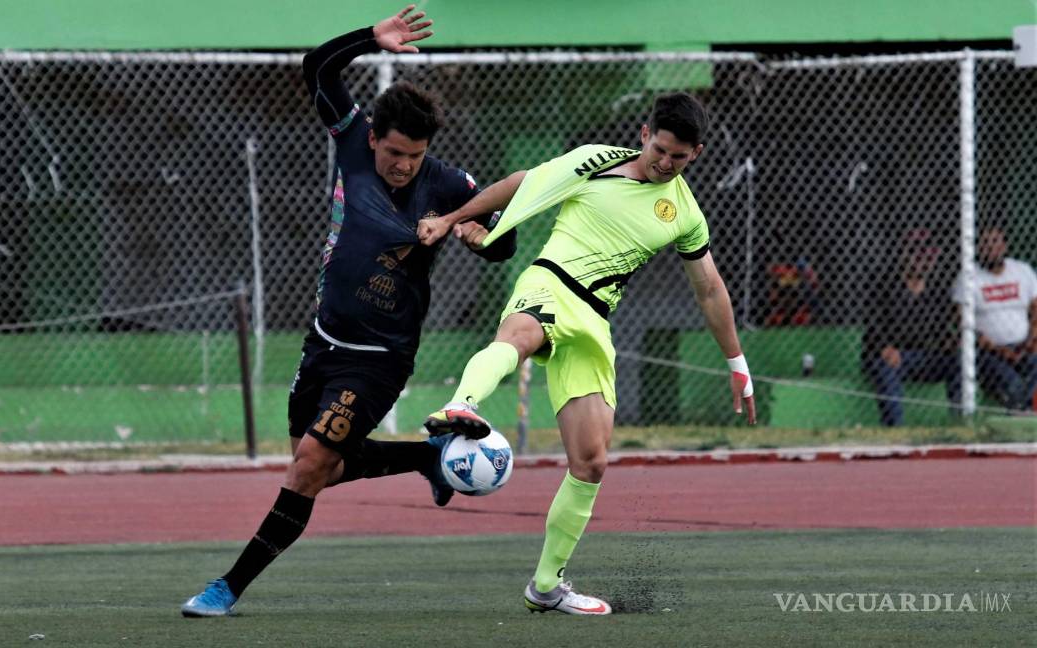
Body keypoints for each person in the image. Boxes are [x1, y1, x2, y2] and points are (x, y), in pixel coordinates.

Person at [181, 5, 516, 617]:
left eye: (415, 155)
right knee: (321, 467)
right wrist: (371, 38)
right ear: (373, 139)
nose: (404, 165)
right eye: (395, 152)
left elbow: (505, 241)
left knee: (309, 468)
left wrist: (478, 235)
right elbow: (317, 68)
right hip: (323, 340)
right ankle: (429, 457)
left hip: (381, 359)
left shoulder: (446, 184)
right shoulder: (352, 142)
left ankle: (226, 587)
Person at [417, 93, 756, 615]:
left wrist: (736, 362)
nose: (666, 163)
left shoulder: (685, 213)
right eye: (660, 150)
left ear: (697, 154)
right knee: (518, 338)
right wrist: (453, 218)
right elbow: (524, 183)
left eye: (679, 157)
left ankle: (545, 587)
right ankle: (462, 405)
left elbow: (709, 288)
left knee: (591, 462)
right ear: (644, 135)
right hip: (550, 281)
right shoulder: (595, 161)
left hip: (595, 321)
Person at [861, 228, 959, 426]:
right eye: (916, 254)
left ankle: (961, 422)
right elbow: (872, 326)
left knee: (959, 361)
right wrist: (884, 347)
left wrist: (951, 342)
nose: (922, 262)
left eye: (927, 257)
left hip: (923, 356)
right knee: (885, 366)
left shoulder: (937, 291)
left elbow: (941, 331)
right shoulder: (884, 285)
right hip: (891, 355)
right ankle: (895, 429)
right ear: (904, 255)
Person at [953, 225, 1037, 413]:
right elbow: (961, 321)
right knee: (1012, 382)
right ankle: (1023, 414)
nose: (991, 248)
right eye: (985, 243)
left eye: (995, 242)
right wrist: (999, 350)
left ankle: (1024, 412)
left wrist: (1032, 340)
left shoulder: (1022, 270)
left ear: (1004, 245)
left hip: (1025, 345)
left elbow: (1035, 309)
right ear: (977, 248)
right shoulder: (968, 277)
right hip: (988, 351)